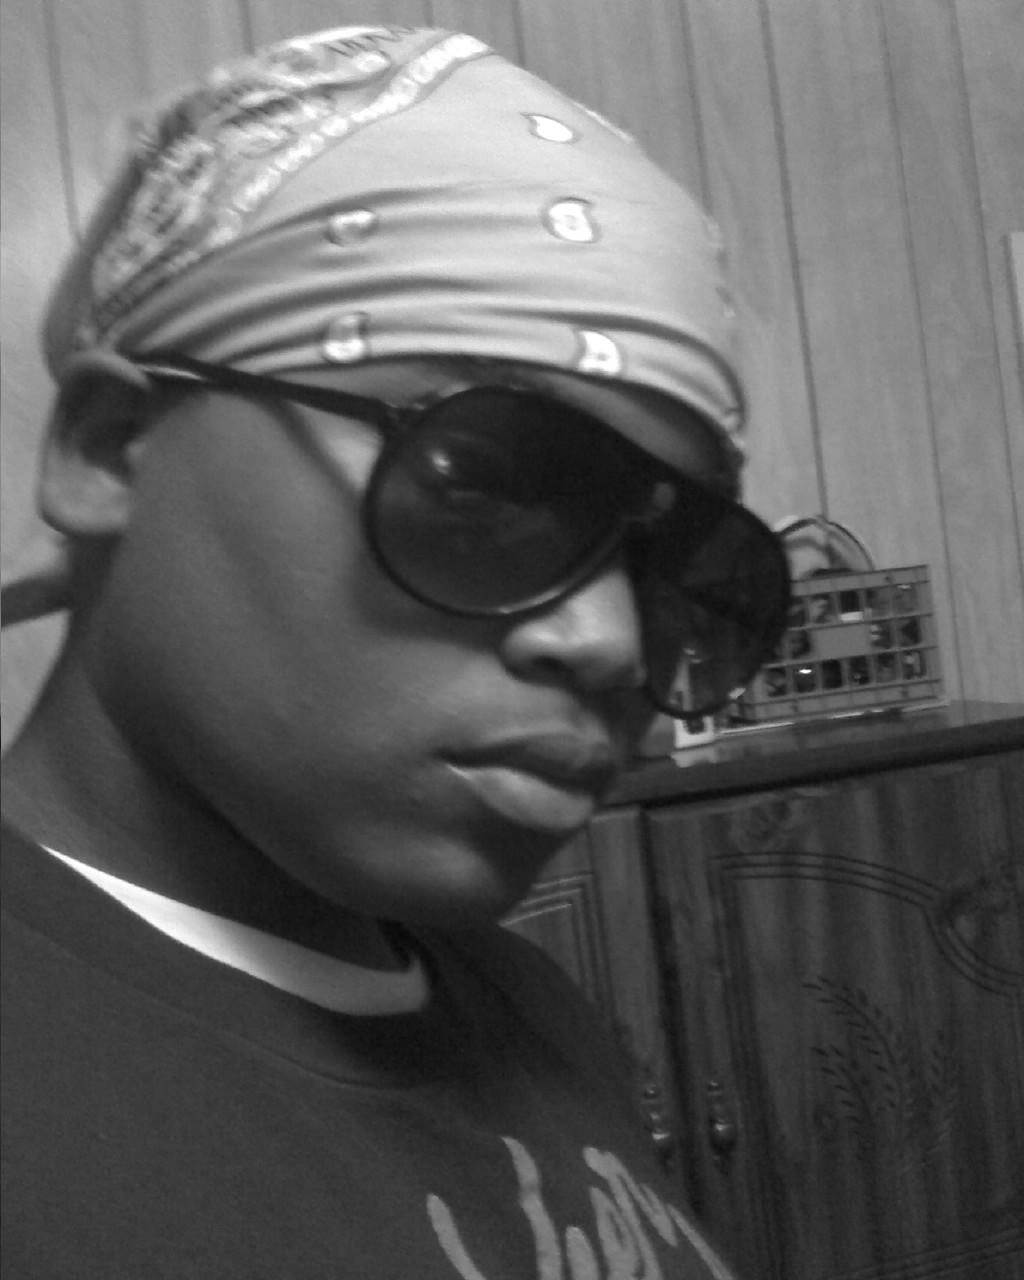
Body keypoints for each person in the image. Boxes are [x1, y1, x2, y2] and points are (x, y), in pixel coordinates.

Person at [0, 23, 789, 1279]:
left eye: (677, 565)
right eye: (484, 483)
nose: (607, 642)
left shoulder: (531, 1010)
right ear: (110, 448)